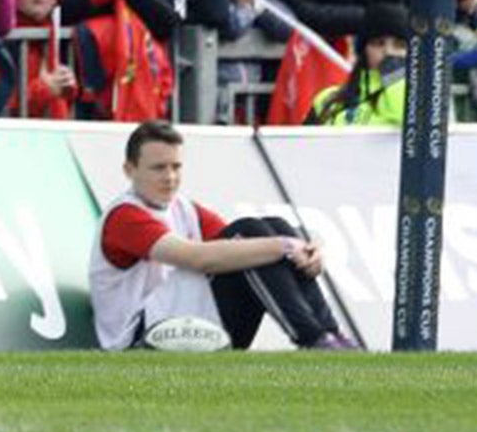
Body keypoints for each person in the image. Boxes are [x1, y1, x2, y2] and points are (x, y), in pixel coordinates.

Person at [91, 119, 358, 352]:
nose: (170, 177)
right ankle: (313, 339)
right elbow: (197, 258)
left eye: (176, 167)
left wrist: (310, 248)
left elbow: (244, 243)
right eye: (158, 168)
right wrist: (287, 245)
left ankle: (330, 335)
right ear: (129, 170)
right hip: (141, 341)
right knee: (255, 236)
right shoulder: (125, 215)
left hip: (186, 325)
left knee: (271, 226)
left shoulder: (182, 207)